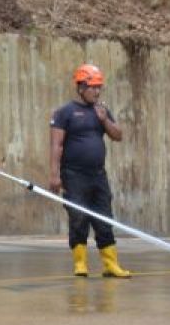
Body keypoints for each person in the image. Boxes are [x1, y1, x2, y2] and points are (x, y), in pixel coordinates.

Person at [49, 63, 131, 279]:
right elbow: (56, 145)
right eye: (93, 87)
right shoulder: (65, 112)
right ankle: (80, 263)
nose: (97, 91)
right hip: (73, 175)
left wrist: (105, 120)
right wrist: (55, 175)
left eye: (99, 87)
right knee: (78, 217)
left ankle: (110, 265)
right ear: (81, 87)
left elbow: (118, 135)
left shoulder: (101, 111)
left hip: (98, 175)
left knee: (104, 217)